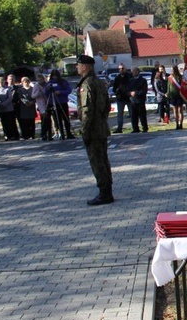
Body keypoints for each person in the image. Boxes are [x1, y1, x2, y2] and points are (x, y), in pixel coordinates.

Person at [76, 54, 113, 206]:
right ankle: (107, 190)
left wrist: (85, 130)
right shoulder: (98, 82)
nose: (77, 67)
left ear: (85, 66)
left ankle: (104, 193)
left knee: (97, 161)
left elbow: (87, 110)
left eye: (78, 65)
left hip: (93, 129)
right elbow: (106, 105)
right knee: (103, 160)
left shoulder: (87, 84)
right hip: (101, 127)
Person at [47, 69, 74, 140]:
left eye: (56, 75)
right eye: (53, 76)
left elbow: (69, 90)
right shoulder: (49, 83)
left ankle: (69, 133)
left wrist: (60, 92)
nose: (55, 77)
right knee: (57, 120)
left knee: (65, 118)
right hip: (54, 103)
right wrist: (48, 89)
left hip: (63, 102)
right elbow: (45, 93)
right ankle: (61, 134)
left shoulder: (63, 82)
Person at [111, 64, 131, 134]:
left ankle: (135, 127)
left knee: (132, 113)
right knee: (120, 114)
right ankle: (119, 129)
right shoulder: (117, 78)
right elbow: (114, 88)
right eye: (119, 69)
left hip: (129, 98)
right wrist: (116, 91)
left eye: (122, 68)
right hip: (120, 98)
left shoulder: (129, 76)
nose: (121, 70)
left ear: (125, 69)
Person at [32, 74, 53, 141]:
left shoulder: (46, 85)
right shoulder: (36, 86)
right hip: (41, 105)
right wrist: (38, 91)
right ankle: (43, 134)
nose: (39, 81)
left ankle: (49, 134)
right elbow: (33, 96)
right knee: (44, 120)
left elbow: (49, 94)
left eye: (40, 80)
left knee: (48, 120)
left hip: (47, 103)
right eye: (38, 80)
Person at [128, 66, 148, 133]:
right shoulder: (130, 81)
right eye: (132, 71)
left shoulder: (143, 80)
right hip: (133, 101)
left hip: (140, 100)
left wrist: (136, 93)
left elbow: (144, 90)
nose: (132, 73)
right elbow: (127, 90)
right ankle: (135, 128)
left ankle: (144, 128)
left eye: (133, 71)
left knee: (142, 115)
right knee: (134, 116)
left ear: (137, 72)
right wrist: (130, 93)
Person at [167, 65, 184, 130]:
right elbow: (168, 87)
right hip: (173, 96)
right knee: (175, 110)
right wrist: (168, 94)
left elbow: (183, 86)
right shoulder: (169, 78)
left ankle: (181, 124)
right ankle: (177, 124)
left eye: (172, 69)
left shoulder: (181, 77)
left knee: (180, 110)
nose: (172, 70)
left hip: (180, 95)